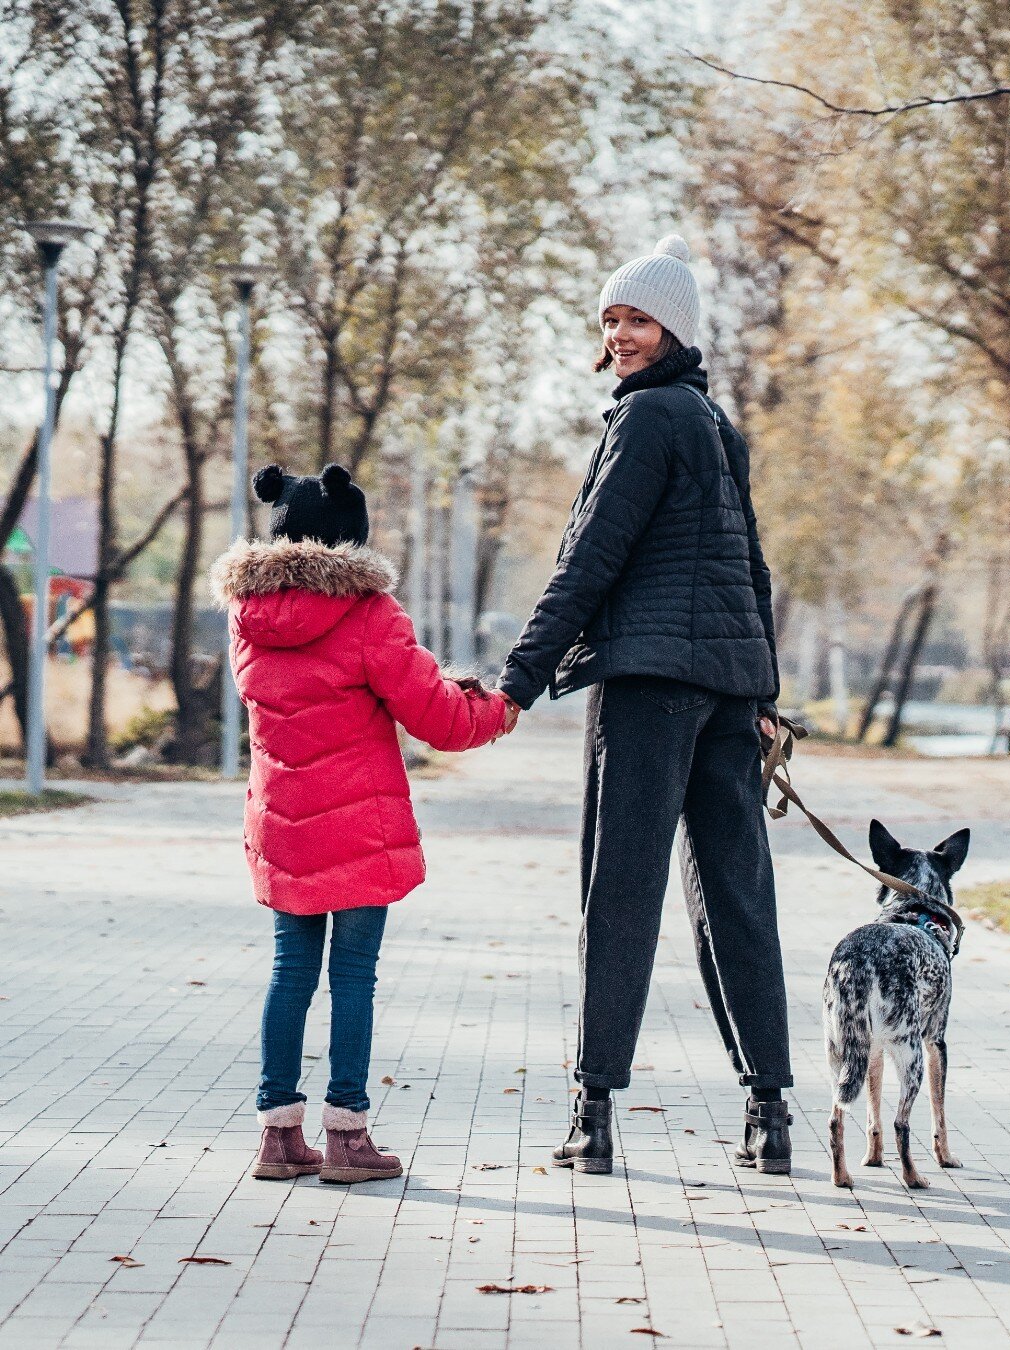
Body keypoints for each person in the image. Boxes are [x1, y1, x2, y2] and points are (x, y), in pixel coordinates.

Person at [497, 236, 793, 1175]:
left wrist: (516, 680)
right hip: (729, 696)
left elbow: (588, 560)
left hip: (650, 690)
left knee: (620, 894)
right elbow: (754, 573)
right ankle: (771, 1114)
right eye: (611, 320)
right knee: (738, 897)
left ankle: (593, 1115)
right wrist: (766, 695)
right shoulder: (715, 425)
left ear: (677, 328)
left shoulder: (646, 421)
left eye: (637, 318)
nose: (621, 335)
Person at [212, 463, 514, 1184]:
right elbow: (436, 718)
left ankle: (277, 1138)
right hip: (356, 829)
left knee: (290, 974)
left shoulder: (247, 619)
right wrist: (498, 709)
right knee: (353, 978)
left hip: (283, 823)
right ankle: (346, 1136)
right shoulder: (370, 613)